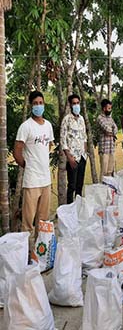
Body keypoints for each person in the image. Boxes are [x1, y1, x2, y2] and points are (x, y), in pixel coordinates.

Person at [14, 91, 54, 258]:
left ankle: (40, 252)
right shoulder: (26, 126)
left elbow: (49, 145)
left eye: (41, 102)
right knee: (28, 222)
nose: (39, 105)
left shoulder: (48, 125)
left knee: (43, 221)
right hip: (32, 181)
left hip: (46, 180)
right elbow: (17, 151)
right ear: (31, 105)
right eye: (35, 103)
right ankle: (25, 254)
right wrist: (28, 165)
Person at [60, 94, 87, 204]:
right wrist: (69, 157)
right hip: (72, 158)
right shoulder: (66, 119)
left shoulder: (81, 119)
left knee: (80, 185)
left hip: (82, 157)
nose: (76, 105)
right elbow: (63, 139)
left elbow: (84, 136)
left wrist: (85, 153)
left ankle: (78, 208)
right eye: (74, 103)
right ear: (70, 105)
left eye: (78, 103)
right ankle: (70, 209)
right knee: (72, 185)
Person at [97, 99, 118, 176]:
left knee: (110, 171)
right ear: (104, 108)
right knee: (104, 172)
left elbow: (115, 129)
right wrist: (111, 131)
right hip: (104, 150)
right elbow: (107, 129)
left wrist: (111, 132)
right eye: (109, 108)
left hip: (111, 149)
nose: (110, 110)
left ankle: (109, 188)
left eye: (110, 108)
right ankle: (102, 188)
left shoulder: (110, 118)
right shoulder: (99, 118)